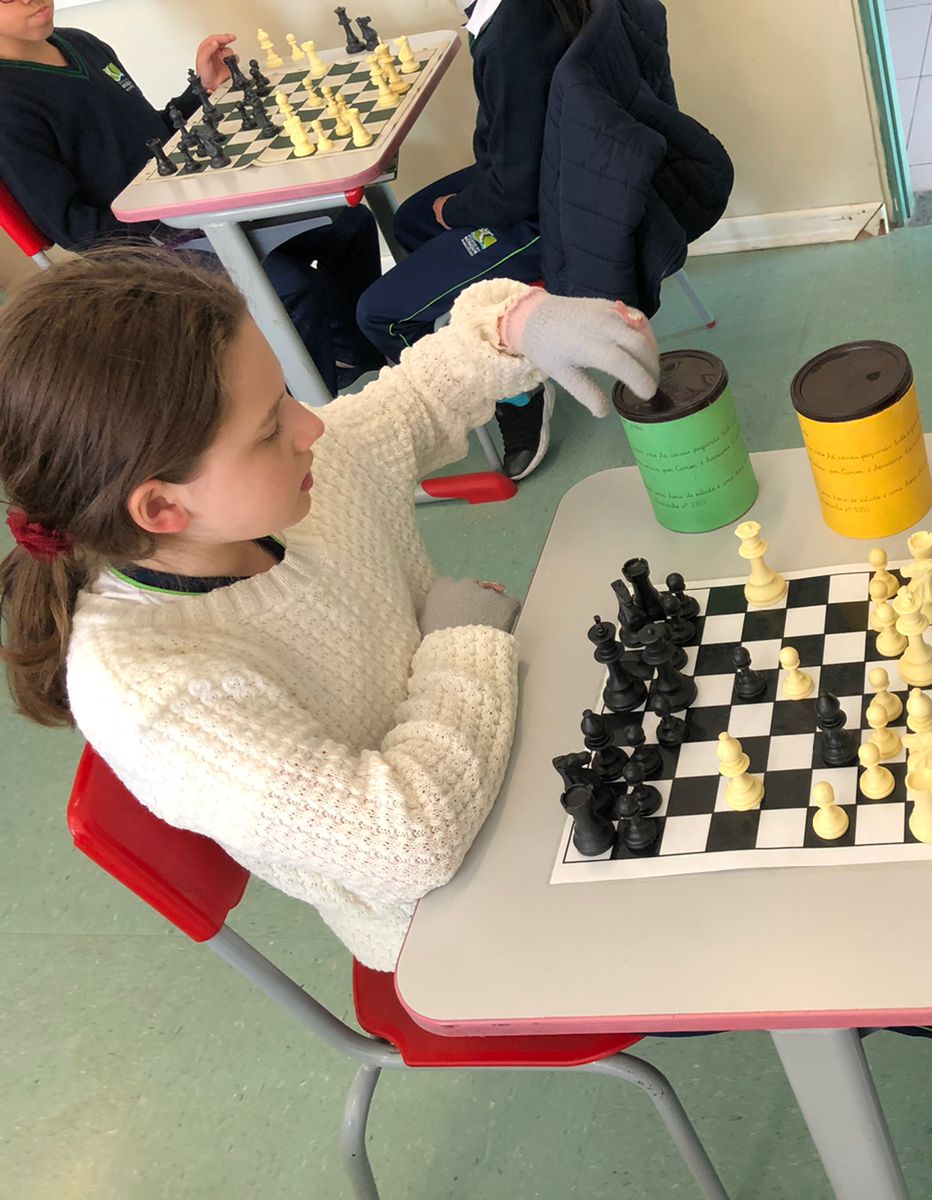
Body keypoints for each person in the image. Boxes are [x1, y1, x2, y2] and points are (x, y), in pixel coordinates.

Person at [0, 249, 658, 971]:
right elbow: (412, 842)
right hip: (447, 919)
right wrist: (460, 642)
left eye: (285, 395)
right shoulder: (152, 694)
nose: (309, 427)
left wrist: (516, 326)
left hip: (514, 750)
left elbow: (416, 399)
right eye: (268, 430)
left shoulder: (286, 491)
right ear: (161, 506)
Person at [0, 4, 383, 392]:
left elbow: (155, 137)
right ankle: (297, 416)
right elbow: (74, 228)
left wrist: (201, 90)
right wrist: (177, 217)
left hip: (195, 211)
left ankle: (351, 359)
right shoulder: (7, 103)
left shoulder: (82, 44)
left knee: (349, 224)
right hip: (144, 249)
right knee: (294, 287)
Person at [355, 0, 587, 480]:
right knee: (412, 221)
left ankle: (513, 389)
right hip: (562, 170)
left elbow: (514, 192)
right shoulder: (515, 17)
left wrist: (458, 211)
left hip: (552, 214)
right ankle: (499, 333)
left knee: (379, 315)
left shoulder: (508, 39)